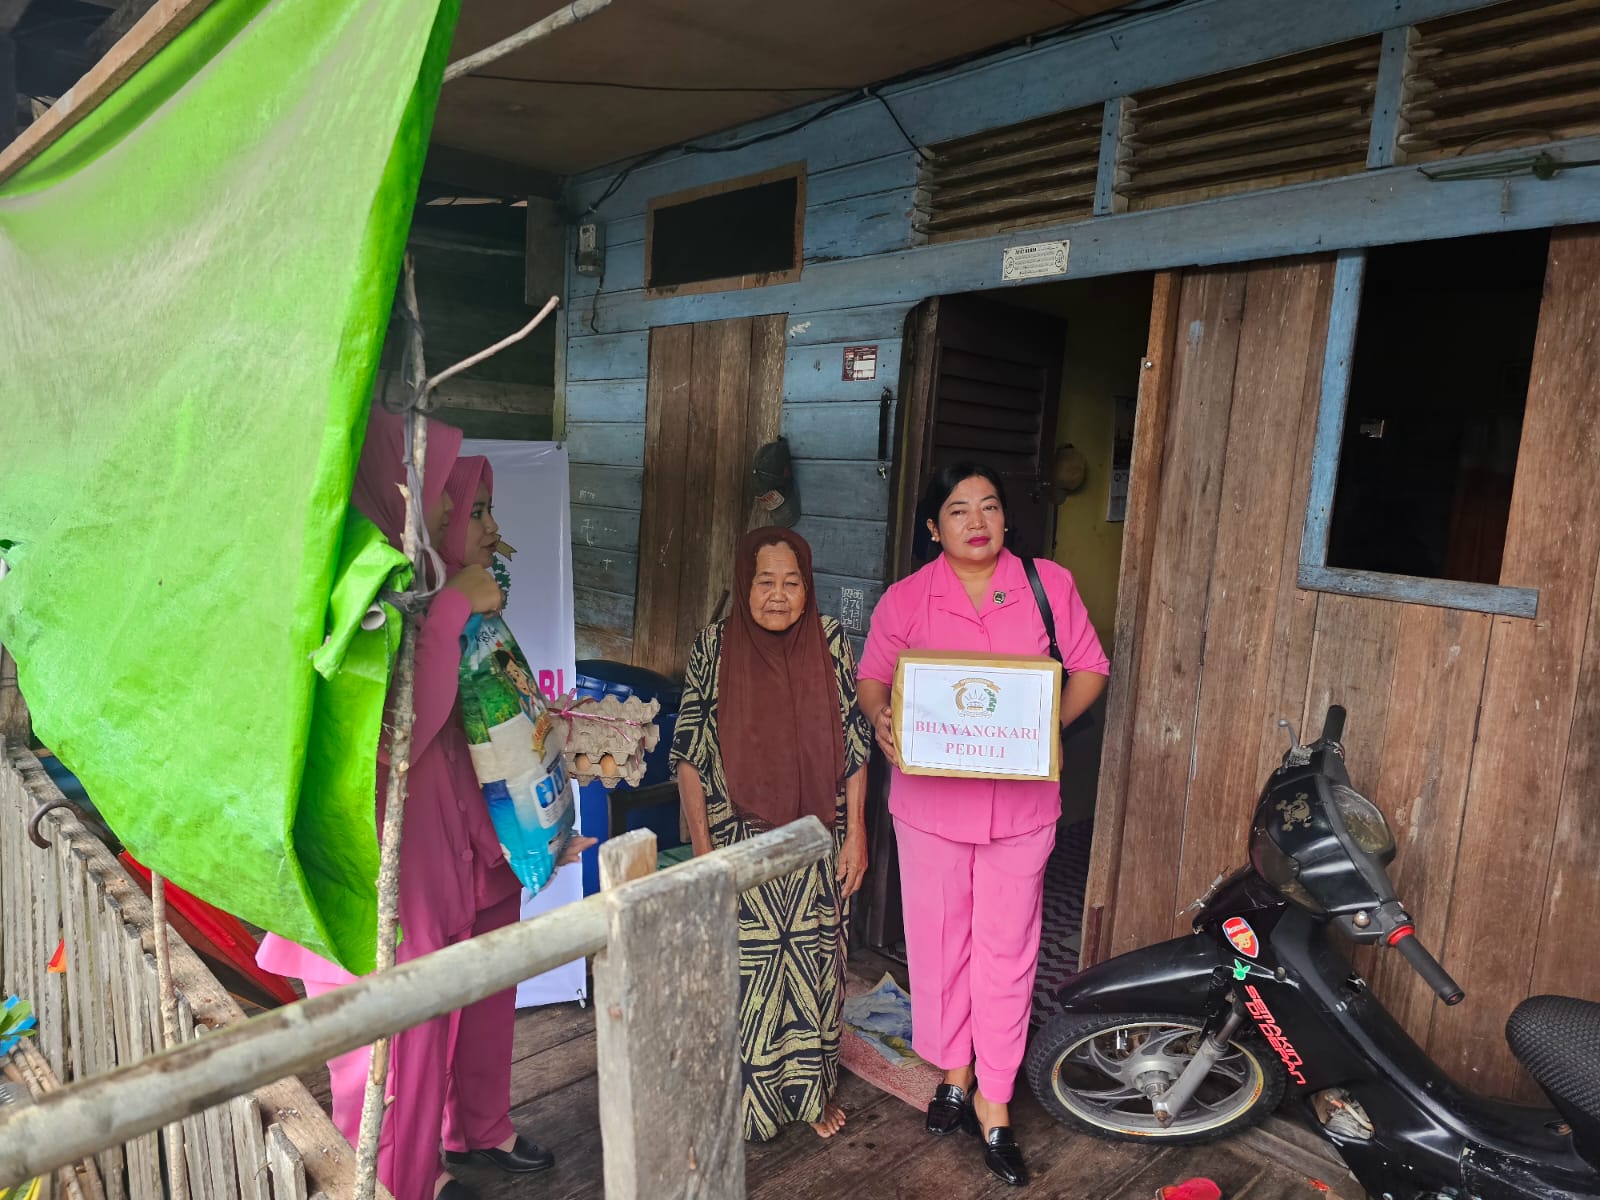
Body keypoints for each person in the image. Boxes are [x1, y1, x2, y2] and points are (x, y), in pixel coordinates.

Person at [257, 413, 588, 1200]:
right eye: (448, 495)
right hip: (385, 865)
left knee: (463, 1004)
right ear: (389, 485)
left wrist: (528, 832)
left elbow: (484, 737)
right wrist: (449, 612)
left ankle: (460, 1139)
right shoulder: (355, 588)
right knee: (390, 1049)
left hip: (459, 847)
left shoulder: (434, 592)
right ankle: (394, 1184)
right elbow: (397, 732)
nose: (456, 513)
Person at [857, 462, 1110, 1188]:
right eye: (960, 510)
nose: (978, 521)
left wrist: (1043, 729)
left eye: (990, 507)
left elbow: (1089, 668)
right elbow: (875, 674)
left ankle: (995, 1102)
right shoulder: (907, 598)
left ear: (1005, 519)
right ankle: (953, 1074)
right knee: (940, 948)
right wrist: (881, 718)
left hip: (1020, 807)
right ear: (933, 528)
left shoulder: (1046, 584)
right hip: (930, 808)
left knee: (1007, 951)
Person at [671, 527, 873, 1142]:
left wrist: (856, 832)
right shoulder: (715, 646)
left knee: (815, 968)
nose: (779, 596)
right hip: (742, 842)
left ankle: (810, 1096)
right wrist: (705, 853)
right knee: (747, 976)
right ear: (744, 584)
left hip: (818, 838)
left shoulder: (832, 643)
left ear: (808, 589)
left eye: (792, 583)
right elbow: (689, 753)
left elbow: (856, 746)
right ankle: (746, 1102)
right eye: (766, 582)